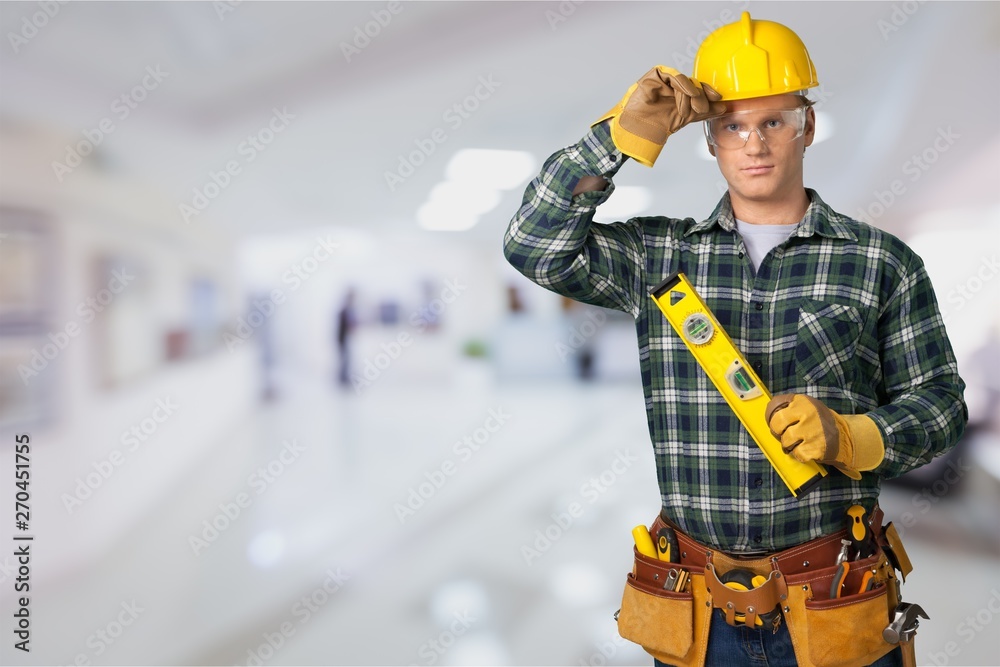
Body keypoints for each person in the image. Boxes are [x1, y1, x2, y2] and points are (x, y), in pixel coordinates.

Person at [503, 12, 967, 667]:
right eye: (733, 126)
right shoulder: (656, 255)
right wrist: (617, 136)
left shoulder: (880, 261)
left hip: (834, 595)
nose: (754, 143)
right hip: (697, 611)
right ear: (713, 141)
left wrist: (851, 435)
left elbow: (942, 403)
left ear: (807, 126)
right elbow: (534, 243)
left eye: (773, 121)